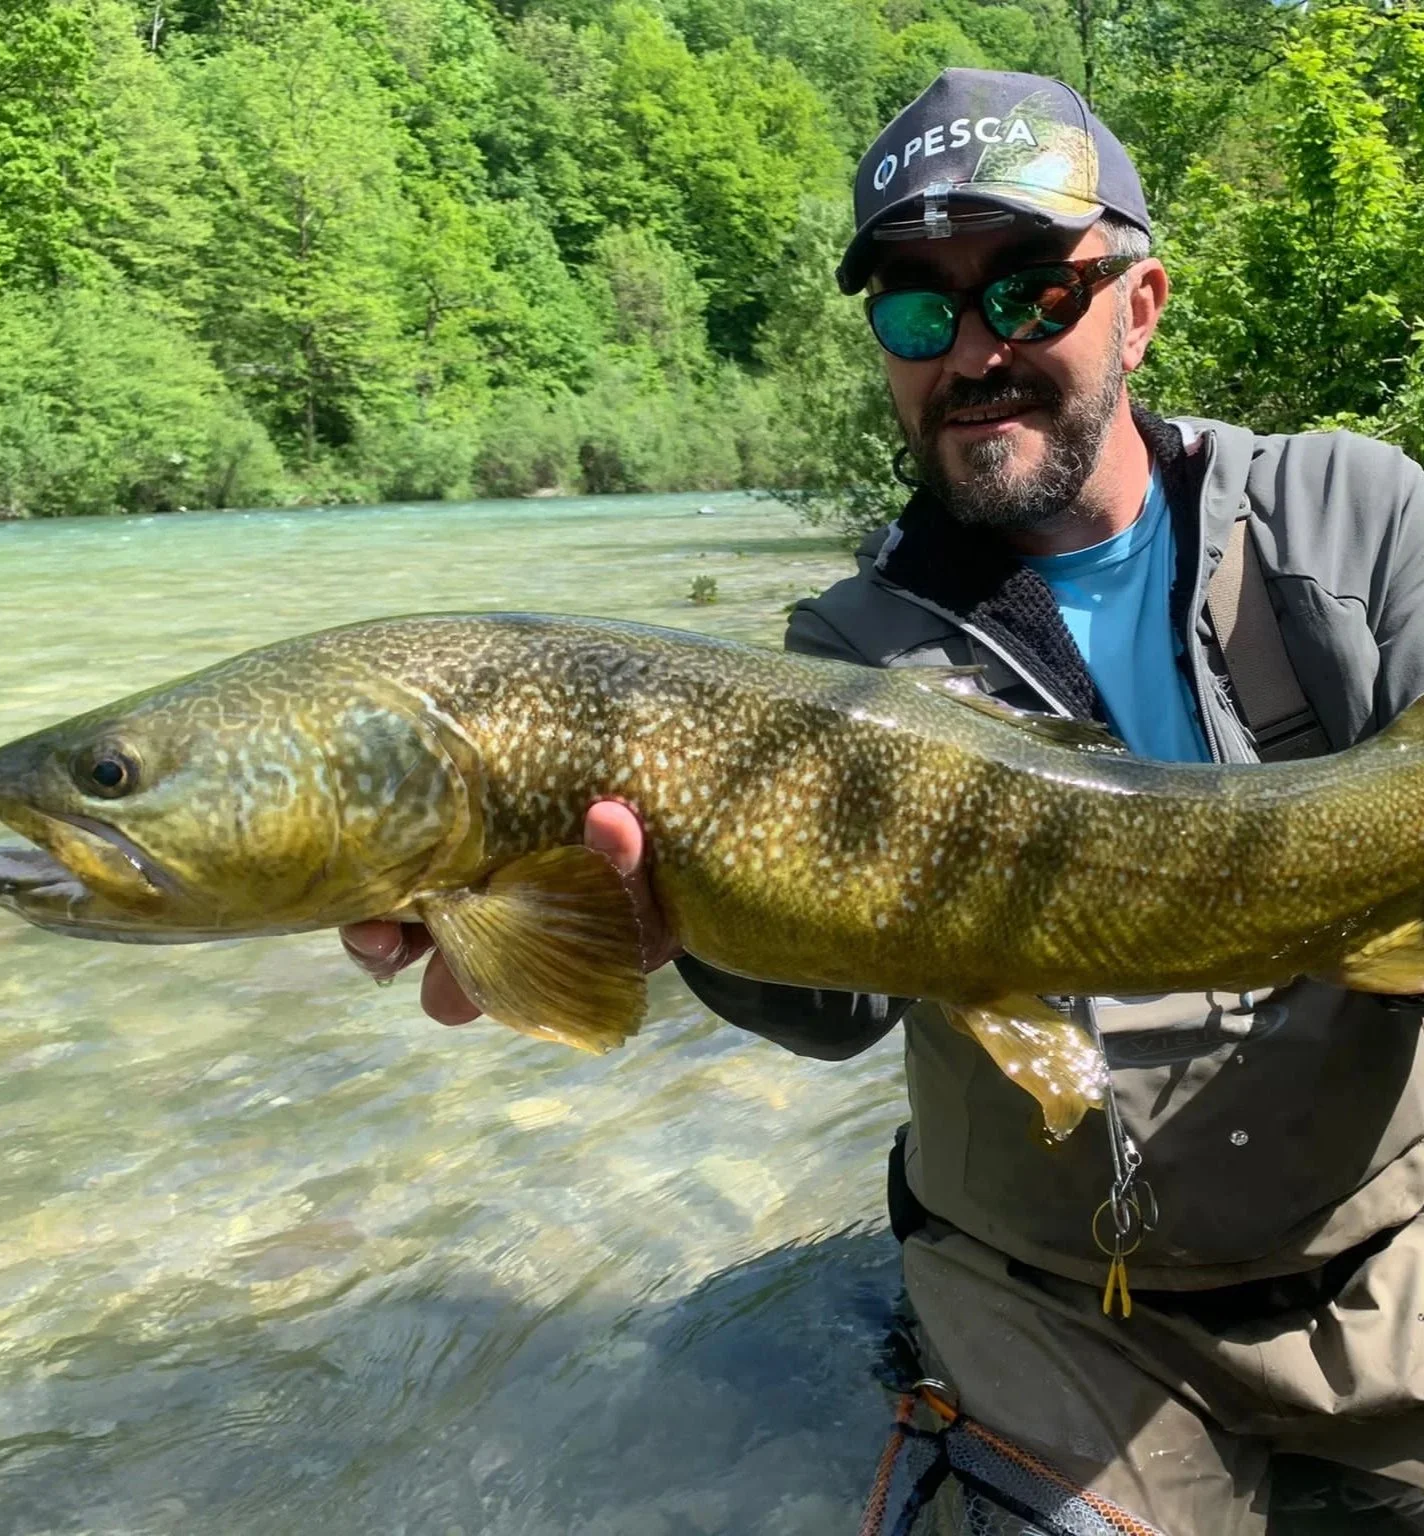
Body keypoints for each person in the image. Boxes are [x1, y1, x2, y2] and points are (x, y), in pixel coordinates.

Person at [343, 69, 1424, 1534]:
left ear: (1143, 303)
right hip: (1055, 1311)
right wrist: (675, 925)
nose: (974, 349)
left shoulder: (1351, 520)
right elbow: (841, 1013)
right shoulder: (854, 652)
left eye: (1032, 292)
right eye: (919, 310)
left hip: (1384, 1253)